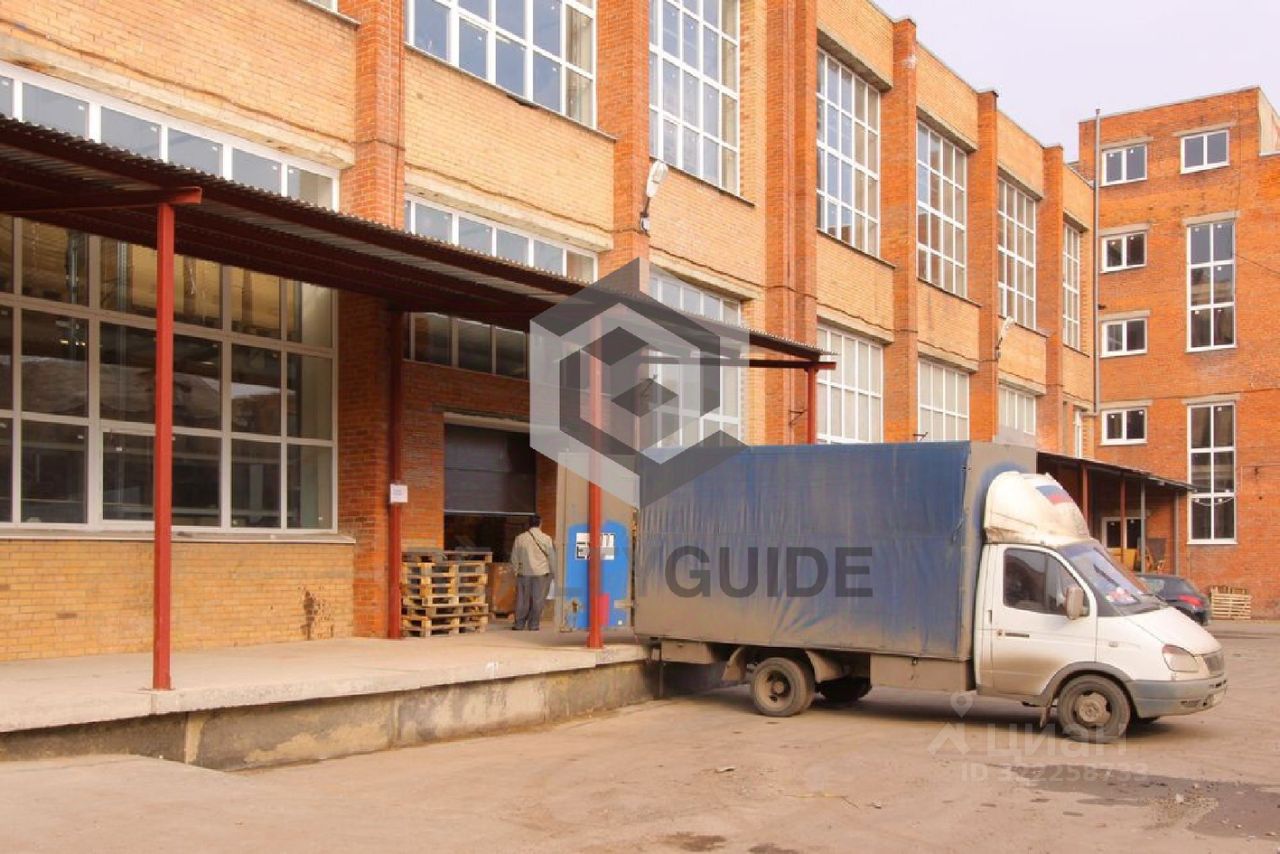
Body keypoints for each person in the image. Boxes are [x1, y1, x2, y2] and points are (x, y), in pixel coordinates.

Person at [511, 515, 556, 631]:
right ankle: (534, 624)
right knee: (538, 600)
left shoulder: (520, 538)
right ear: (540, 524)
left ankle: (519, 624)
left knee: (522, 600)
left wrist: (516, 570)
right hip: (541, 573)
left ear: (528, 524)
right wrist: (554, 573)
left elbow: (514, 557)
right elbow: (552, 557)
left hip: (524, 573)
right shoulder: (546, 539)